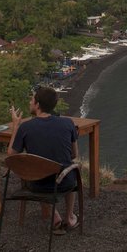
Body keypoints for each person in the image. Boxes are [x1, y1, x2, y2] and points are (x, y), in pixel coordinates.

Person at [7, 85, 79, 232]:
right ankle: (70, 217)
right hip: (65, 182)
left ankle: (55, 217)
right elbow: (74, 154)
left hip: (37, 185)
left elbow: (11, 155)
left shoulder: (25, 127)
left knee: (39, 171)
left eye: (31, 100)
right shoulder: (68, 123)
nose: (29, 102)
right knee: (69, 166)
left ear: (38, 105)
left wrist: (15, 126)